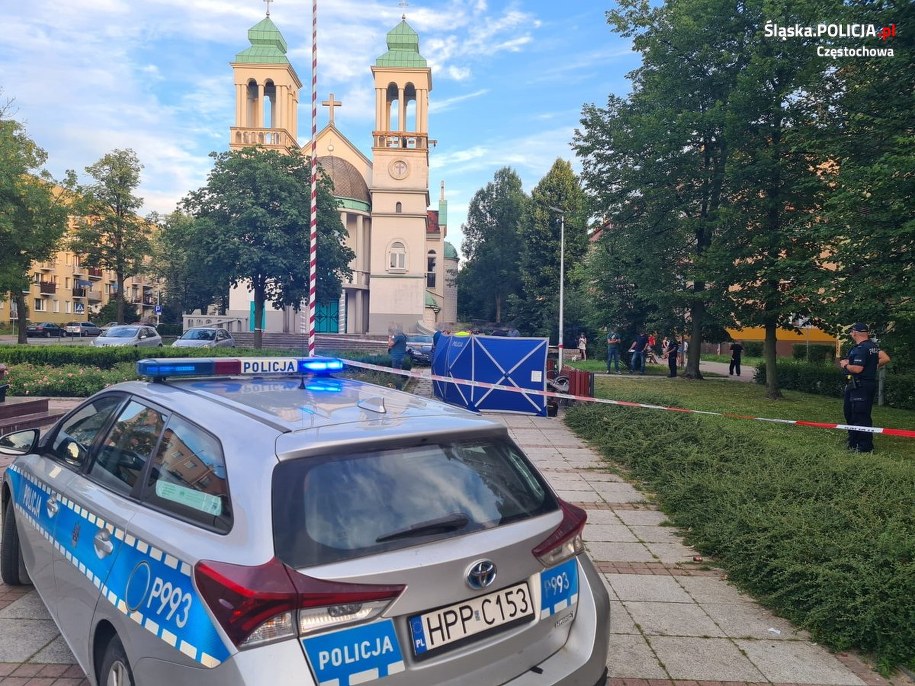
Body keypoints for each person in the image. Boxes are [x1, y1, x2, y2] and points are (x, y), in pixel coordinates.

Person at [839, 322, 890, 453]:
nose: (851, 333)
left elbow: (856, 368)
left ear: (855, 332)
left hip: (860, 385)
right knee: (850, 412)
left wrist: (845, 364)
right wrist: (872, 366)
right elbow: (886, 358)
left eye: (851, 331)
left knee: (859, 415)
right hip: (859, 385)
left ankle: (863, 446)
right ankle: (853, 440)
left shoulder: (862, 348)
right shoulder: (872, 346)